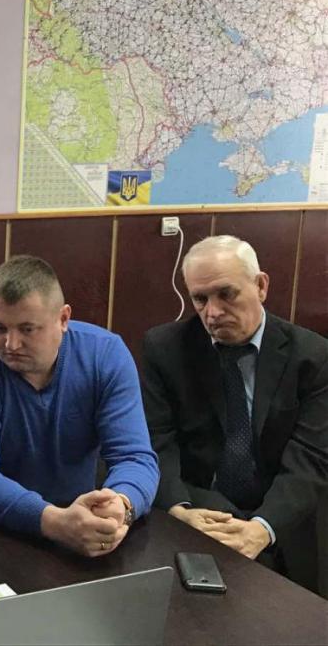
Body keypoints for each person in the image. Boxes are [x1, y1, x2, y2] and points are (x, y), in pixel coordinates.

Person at [0, 255, 159, 557]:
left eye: (27, 329)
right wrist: (54, 522)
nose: (11, 344)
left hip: (83, 522)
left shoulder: (105, 355)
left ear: (64, 319)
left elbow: (134, 456)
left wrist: (120, 504)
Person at [141, 235, 328, 592]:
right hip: (199, 514)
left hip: (281, 520)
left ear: (261, 286)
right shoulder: (165, 348)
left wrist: (261, 528)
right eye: (200, 299)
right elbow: (156, 441)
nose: (212, 312)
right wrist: (178, 509)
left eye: (226, 294)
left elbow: (311, 458)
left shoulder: (313, 357)